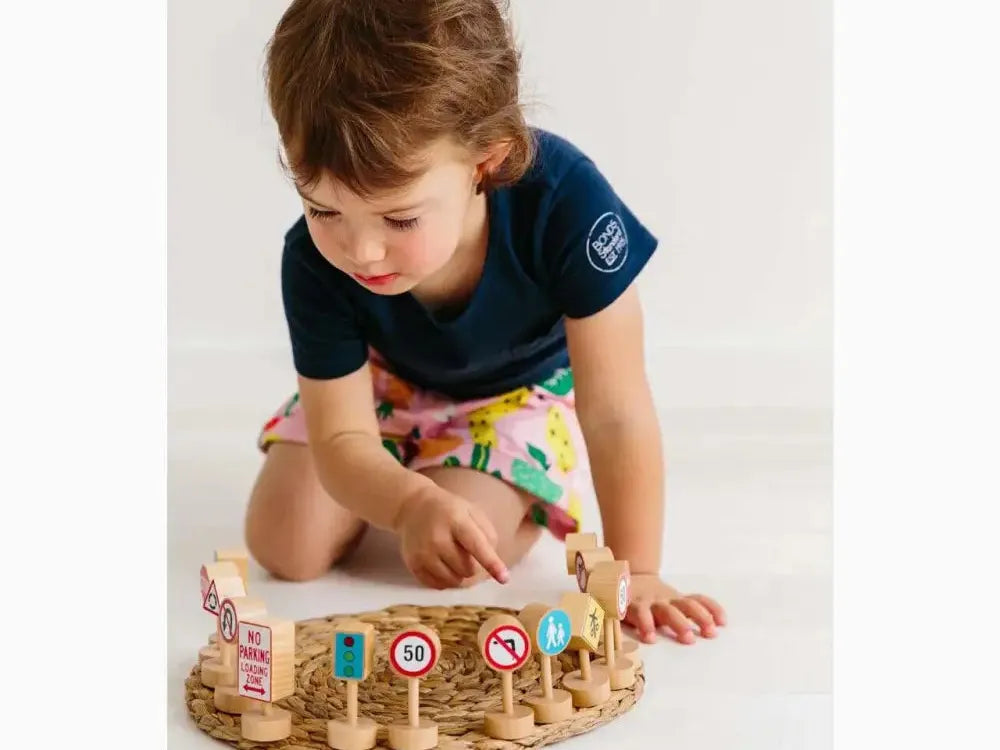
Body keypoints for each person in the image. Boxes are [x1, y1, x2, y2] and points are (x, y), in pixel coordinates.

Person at [244, 0, 726, 646]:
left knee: (468, 549)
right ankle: (425, 476)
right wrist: (407, 502)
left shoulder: (566, 202)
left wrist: (636, 570)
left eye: (400, 218)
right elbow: (342, 440)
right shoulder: (311, 260)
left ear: (486, 163)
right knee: (285, 545)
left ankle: (520, 494)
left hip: (514, 396)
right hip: (383, 384)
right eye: (322, 209)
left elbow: (616, 409)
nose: (359, 251)